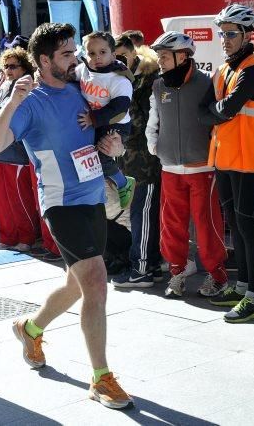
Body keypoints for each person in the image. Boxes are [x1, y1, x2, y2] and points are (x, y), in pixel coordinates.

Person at [0, 22, 133, 410]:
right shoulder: (30, 102)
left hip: (92, 195)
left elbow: (96, 135)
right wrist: (13, 101)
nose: (75, 59)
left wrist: (113, 144)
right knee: (97, 283)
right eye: (66, 54)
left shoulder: (78, 90)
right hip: (60, 204)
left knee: (76, 285)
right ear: (44, 59)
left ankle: (29, 329)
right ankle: (101, 377)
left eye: (73, 52)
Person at [202, 4, 254, 324]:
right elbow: (205, 110)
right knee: (235, 225)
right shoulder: (224, 69)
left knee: (247, 226)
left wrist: (216, 110)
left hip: (248, 159)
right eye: (222, 33)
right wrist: (216, 110)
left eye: (231, 33)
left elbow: (227, 109)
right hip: (225, 157)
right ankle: (241, 287)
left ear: (247, 35)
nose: (224, 39)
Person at [146, 31, 228, 299]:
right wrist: (154, 147)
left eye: (164, 56)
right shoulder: (159, 85)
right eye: (159, 56)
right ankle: (177, 274)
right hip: (169, 167)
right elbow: (153, 119)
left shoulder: (207, 83)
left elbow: (219, 121)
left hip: (202, 168)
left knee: (207, 226)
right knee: (171, 226)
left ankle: (217, 277)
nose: (160, 60)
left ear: (182, 56)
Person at [110, 33, 164, 288]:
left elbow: (140, 126)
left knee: (142, 215)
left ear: (134, 53)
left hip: (146, 164)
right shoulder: (120, 81)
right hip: (128, 163)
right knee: (138, 215)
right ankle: (150, 263)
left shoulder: (147, 81)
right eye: (114, 56)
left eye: (122, 55)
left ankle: (141, 267)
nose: (117, 61)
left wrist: (126, 90)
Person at [74, 31, 136, 209]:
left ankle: (124, 183)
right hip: (96, 122)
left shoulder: (118, 80)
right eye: (91, 53)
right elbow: (69, 79)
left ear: (113, 54)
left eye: (102, 52)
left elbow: (119, 108)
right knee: (88, 158)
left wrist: (93, 118)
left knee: (101, 156)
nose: (97, 57)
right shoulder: (83, 70)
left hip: (116, 124)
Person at [0, 48, 39, 251]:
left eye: (13, 66)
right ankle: (7, 238)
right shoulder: (3, 86)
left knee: (20, 200)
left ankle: (26, 238)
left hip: (17, 153)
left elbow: (19, 117)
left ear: (24, 67)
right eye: (5, 66)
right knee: (3, 200)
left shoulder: (27, 87)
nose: (8, 70)